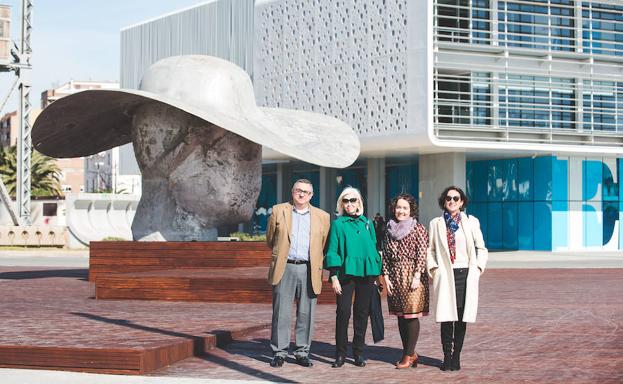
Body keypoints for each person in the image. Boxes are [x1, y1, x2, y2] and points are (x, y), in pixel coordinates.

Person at [266, 179, 331, 368]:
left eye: (306, 192)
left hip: (309, 268)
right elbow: (271, 239)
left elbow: (324, 244)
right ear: (292, 192)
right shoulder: (279, 210)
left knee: (306, 312)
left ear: (311, 195)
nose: (302, 194)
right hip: (285, 266)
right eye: (298, 191)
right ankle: (279, 352)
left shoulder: (323, 216)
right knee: (281, 312)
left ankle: (302, 352)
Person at [427, 186, 488, 372]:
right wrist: (434, 269)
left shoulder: (471, 222)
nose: (451, 201)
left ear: (462, 202)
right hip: (445, 274)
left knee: (462, 319)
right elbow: (431, 250)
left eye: (456, 198)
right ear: (444, 202)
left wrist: (478, 268)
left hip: (465, 274)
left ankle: (456, 357)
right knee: (446, 318)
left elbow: (481, 248)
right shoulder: (436, 223)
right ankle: (446, 357)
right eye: (448, 198)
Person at [324, 187, 382, 368]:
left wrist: (375, 276)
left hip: (366, 274)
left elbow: (373, 248)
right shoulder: (338, 224)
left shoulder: (368, 224)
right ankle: (340, 354)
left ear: (359, 202)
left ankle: (358, 353)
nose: (349, 204)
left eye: (353, 200)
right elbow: (332, 250)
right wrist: (333, 277)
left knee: (362, 313)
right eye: (346, 201)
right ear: (341, 204)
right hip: (345, 273)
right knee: (343, 312)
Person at [381, 193, 429, 369]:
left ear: (411, 210)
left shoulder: (419, 229)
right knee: (401, 316)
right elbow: (385, 255)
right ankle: (411, 353)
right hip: (394, 276)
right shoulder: (389, 229)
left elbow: (422, 253)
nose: (401, 211)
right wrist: (386, 277)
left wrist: (417, 275)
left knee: (411, 315)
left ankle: (407, 355)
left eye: (405, 208)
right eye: (398, 207)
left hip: (412, 276)